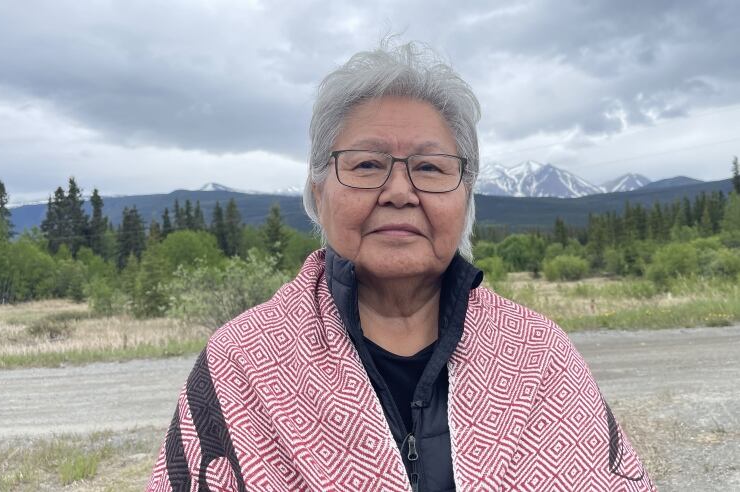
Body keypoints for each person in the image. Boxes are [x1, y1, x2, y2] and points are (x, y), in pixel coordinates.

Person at [147, 40, 655, 491]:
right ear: (319, 192)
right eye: (367, 164)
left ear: (465, 196)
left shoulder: (540, 354)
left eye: (430, 167)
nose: (398, 192)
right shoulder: (241, 361)